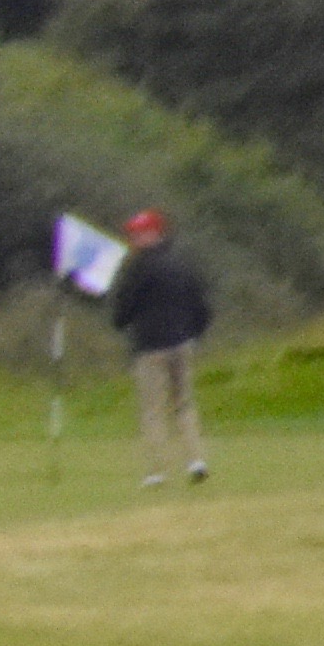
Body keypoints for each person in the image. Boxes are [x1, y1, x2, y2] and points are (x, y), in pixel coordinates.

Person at [108, 208, 214, 487]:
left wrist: (120, 323)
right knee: (183, 404)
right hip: (182, 343)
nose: (135, 237)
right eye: (134, 233)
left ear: (155, 233)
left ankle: (156, 471)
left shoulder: (138, 268)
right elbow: (201, 307)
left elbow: (123, 308)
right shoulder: (181, 264)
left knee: (153, 409)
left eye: (141, 233)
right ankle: (195, 461)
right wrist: (193, 334)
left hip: (150, 347)